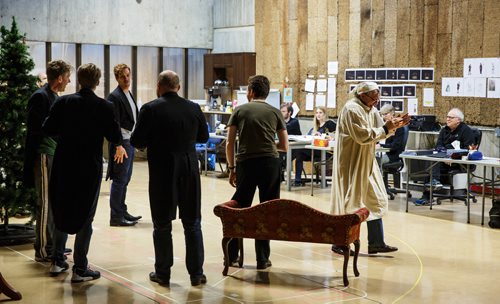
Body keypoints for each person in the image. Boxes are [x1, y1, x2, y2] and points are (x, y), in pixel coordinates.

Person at [42, 63, 126, 282]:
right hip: (88, 167)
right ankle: (80, 268)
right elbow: (115, 135)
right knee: (86, 215)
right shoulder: (104, 107)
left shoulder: (63, 102)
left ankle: (58, 261)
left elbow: (48, 129)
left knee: (62, 209)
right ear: (98, 81)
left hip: (63, 163)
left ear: (78, 80)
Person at [130, 70, 209, 287]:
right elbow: (203, 137)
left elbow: (137, 140)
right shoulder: (193, 108)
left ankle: (163, 273)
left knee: (162, 223)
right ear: (179, 87)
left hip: (163, 170)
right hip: (190, 168)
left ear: (159, 86)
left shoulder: (150, 109)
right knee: (192, 221)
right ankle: (196, 274)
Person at [330, 82, 409, 255]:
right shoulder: (352, 109)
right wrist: (386, 127)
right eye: (373, 97)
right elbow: (362, 135)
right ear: (362, 95)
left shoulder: (371, 109)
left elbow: (382, 131)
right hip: (351, 162)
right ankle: (339, 243)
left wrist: (395, 125)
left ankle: (376, 243)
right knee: (350, 201)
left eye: (378, 97)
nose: (376, 101)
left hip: (366, 161)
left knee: (375, 198)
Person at [226, 75, 288, 270]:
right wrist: (268, 146)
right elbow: (284, 146)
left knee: (241, 206)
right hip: (270, 163)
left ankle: (233, 256)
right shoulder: (275, 112)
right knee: (267, 208)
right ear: (267, 92)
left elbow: (229, 143)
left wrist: (231, 168)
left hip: (246, 163)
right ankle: (262, 258)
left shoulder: (239, 110)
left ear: (251, 92)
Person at [23, 60, 72, 263]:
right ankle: (42, 249)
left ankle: (52, 244)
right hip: (43, 155)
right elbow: (36, 130)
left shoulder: (52, 96)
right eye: (67, 77)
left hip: (52, 154)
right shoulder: (40, 97)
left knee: (52, 203)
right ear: (59, 77)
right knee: (44, 204)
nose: (68, 82)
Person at [415, 108, 475, 205]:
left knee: (433, 164)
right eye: (447, 117)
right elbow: (438, 146)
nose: (447, 119)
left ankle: (433, 184)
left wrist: (452, 157)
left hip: (459, 162)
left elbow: (468, 150)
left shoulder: (466, 131)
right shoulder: (444, 130)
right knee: (430, 163)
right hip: (444, 160)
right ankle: (427, 195)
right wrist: (446, 155)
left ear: (458, 120)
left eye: (451, 117)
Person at [106, 63, 141, 227]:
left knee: (126, 179)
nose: (126, 79)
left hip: (129, 141)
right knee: (119, 179)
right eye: (122, 76)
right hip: (121, 143)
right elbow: (114, 124)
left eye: (128, 75)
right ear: (117, 78)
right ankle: (115, 216)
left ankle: (122, 210)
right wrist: (118, 145)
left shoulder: (127, 93)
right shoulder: (114, 96)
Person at [292, 106, 336, 186]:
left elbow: (335, 136)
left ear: (325, 114)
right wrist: (313, 135)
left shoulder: (330, 124)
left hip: (326, 151)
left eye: (320, 113)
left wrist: (322, 136)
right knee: (299, 155)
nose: (318, 115)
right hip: (315, 150)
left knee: (299, 151)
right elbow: (308, 137)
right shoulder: (316, 126)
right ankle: (297, 181)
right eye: (317, 113)